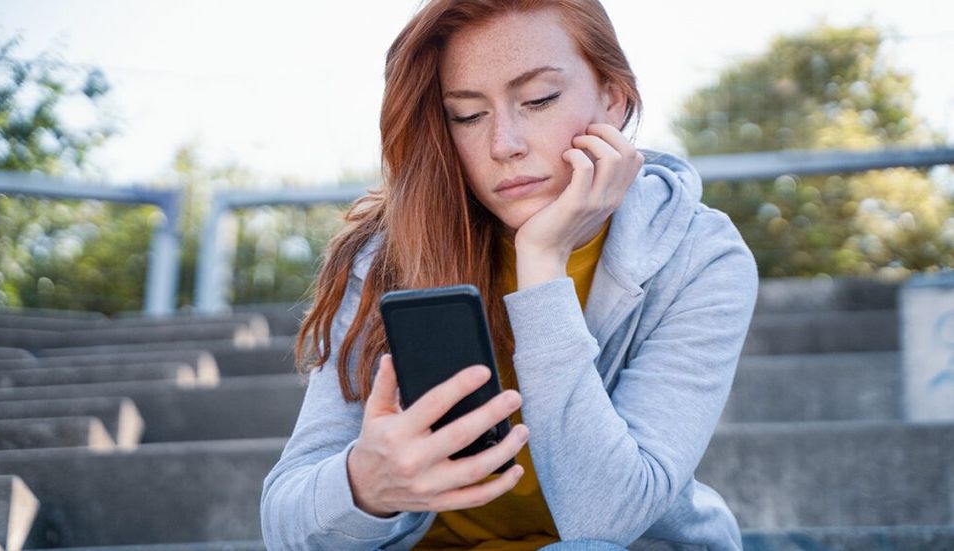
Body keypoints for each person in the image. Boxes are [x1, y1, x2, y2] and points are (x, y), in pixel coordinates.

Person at [261, 0, 758, 549]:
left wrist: (542, 264)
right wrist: (364, 484)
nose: (505, 145)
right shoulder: (388, 255)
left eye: (539, 100)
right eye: (468, 116)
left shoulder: (698, 254)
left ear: (613, 98)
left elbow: (607, 519)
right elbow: (286, 525)